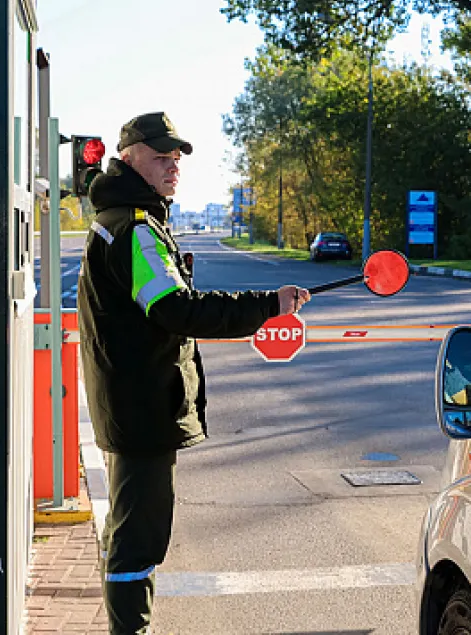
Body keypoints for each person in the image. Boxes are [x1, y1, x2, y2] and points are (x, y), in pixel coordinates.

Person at [76, 112, 311, 635]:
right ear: (128, 156)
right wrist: (267, 304)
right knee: (137, 536)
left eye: (176, 156)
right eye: (160, 155)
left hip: (133, 402)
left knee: (137, 530)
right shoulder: (135, 229)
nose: (172, 164)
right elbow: (179, 311)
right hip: (141, 408)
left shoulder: (126, 220)